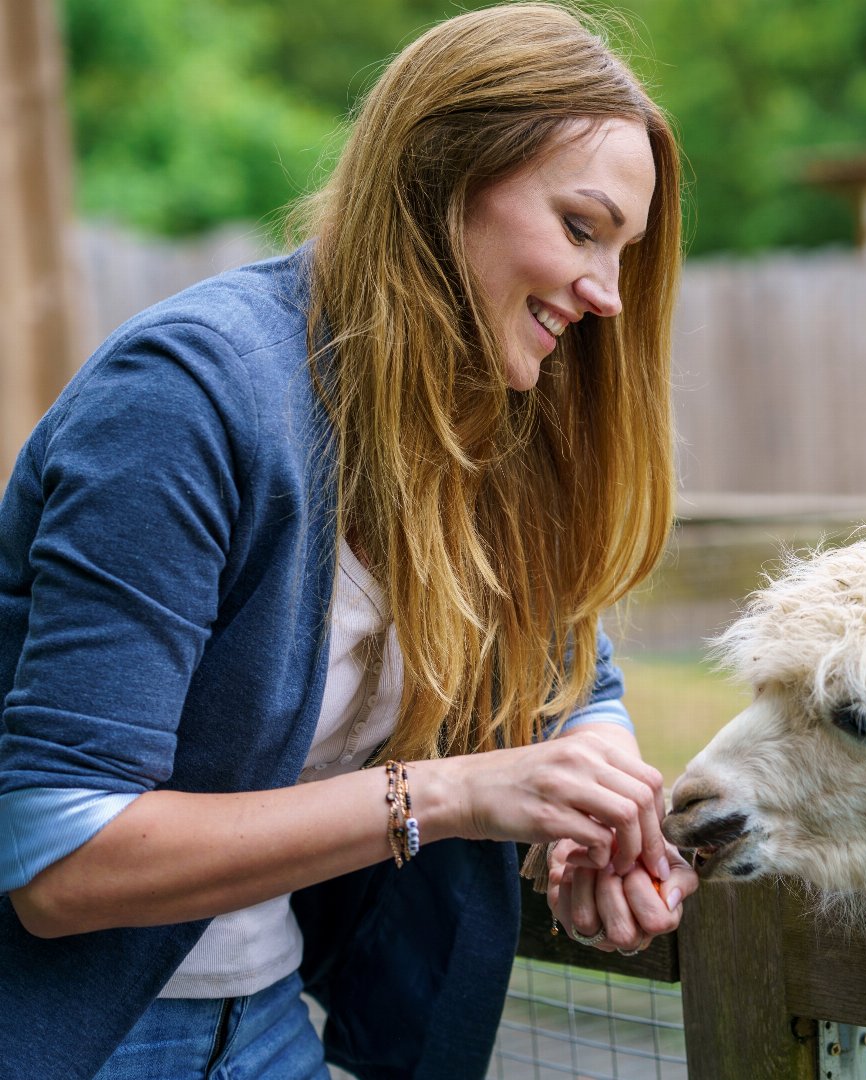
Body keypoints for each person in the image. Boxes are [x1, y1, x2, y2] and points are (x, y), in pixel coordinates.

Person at [0, 4, 700, 1077]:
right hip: (74, 1033)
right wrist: (456, 795)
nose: (608, 294)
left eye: (624, 251)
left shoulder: (486, 425)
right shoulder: (185, 403)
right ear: (438, 177)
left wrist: (593, 807)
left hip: (266, 1018)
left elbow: (574, 683)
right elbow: (60, 856)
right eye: (579, 227)